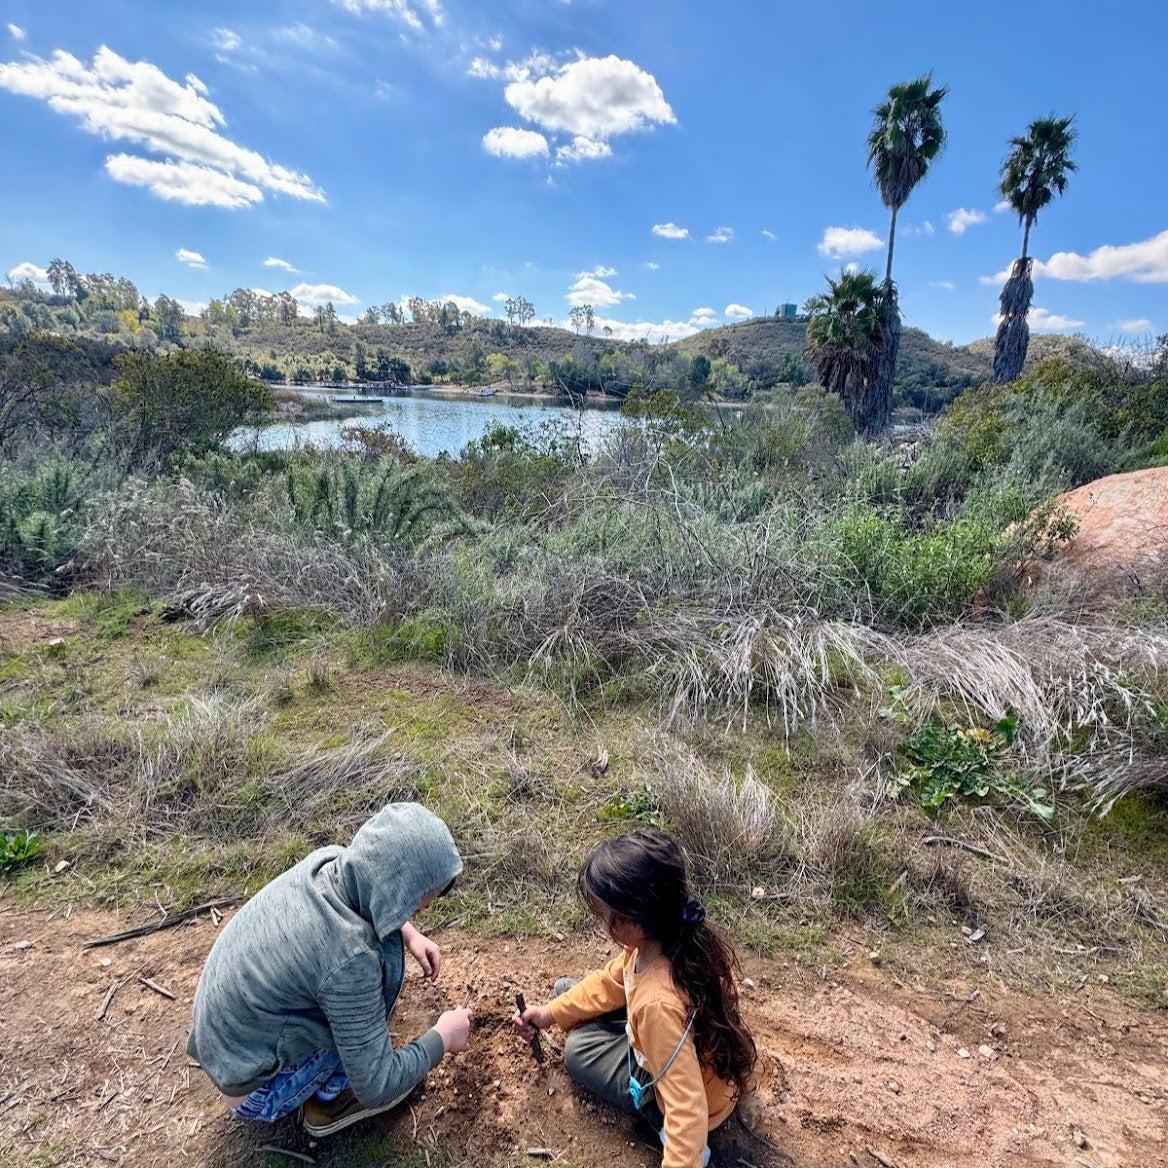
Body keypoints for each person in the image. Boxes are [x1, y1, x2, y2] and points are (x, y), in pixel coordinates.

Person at [187, 802, 473, 1137]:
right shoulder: (350, 959)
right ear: (402, 891)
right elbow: (379, 1084)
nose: (424, 906)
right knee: (365, 1055)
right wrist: (442, 1037)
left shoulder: (331, 860)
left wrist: (409, 933)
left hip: (226, 1042)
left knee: (356, 1011)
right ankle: (330, 1102)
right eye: (424, 898)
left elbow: (370, 894)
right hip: (254, 1090)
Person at [513, 828, 757, 1168]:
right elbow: (613, 981)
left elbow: (686, 1109)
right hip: (691, 1055)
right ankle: (575, 1013)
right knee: (566, 991)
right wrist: (549, 1014)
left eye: (605, 916)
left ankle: (645, 1105)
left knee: (577, 1050)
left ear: (636, 921)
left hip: (691, 1092)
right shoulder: (666, 941)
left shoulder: (656, 1004)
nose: (603, 925)